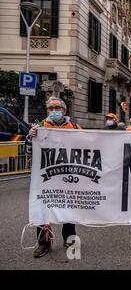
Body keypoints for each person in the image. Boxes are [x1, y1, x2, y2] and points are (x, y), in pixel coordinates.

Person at [25, 97, 81, 258]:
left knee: (69, 208)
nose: (54, 111)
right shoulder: (39, 128)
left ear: (64, 110)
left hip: (68, 175)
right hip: (45, 177)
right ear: (47, 110)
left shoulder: (76, 127)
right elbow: (28, 152)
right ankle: (43, 243)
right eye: (50, 108)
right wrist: (30, 138)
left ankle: (69, 238)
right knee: (42, 209)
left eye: (57, 107)